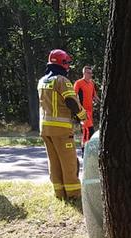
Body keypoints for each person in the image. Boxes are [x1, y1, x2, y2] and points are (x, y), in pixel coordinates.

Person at [38, 49, 87, 200]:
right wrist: (82, 116)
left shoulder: (41, 81)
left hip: (45, 129)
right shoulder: (62, 81)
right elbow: (71, 101)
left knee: (54, 162)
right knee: (69, 162)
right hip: (61, 129)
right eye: (67, 63)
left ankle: (59, 193)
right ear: (63, 63)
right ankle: (73, 194)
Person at [73, 65, 100, 151]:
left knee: (86, 132)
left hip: (90, 112)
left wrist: (101, 103)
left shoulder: (92, 83)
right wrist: (78, 110)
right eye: (89, 73)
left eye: (91, 73)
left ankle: (85, 150)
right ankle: (86, 150)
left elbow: (95, 96)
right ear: (84, 73)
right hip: (83, 112)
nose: (90, 75)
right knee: (89, 130)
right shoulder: (78, 83)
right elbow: (74, 96)